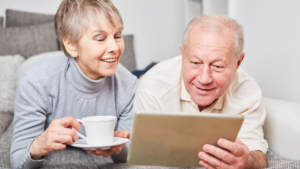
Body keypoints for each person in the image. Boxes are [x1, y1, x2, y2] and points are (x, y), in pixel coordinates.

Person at [10, 0, 138, 168]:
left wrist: (119, 146)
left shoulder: (129, 85)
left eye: (117, 36)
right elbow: (17, 160)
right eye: (100, 38)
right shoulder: (35, 82)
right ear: (71, 45)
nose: (114, 47)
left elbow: (133, 158)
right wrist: (38, 145)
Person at [133, 15, 268, 169]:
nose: (204, 79)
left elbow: (257, 155)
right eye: (195, 63)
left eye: (217, 66)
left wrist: (248, 162)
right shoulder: (152, 87)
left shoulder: (248, 91)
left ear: (238, 62)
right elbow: (144, 160)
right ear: (183, 55)